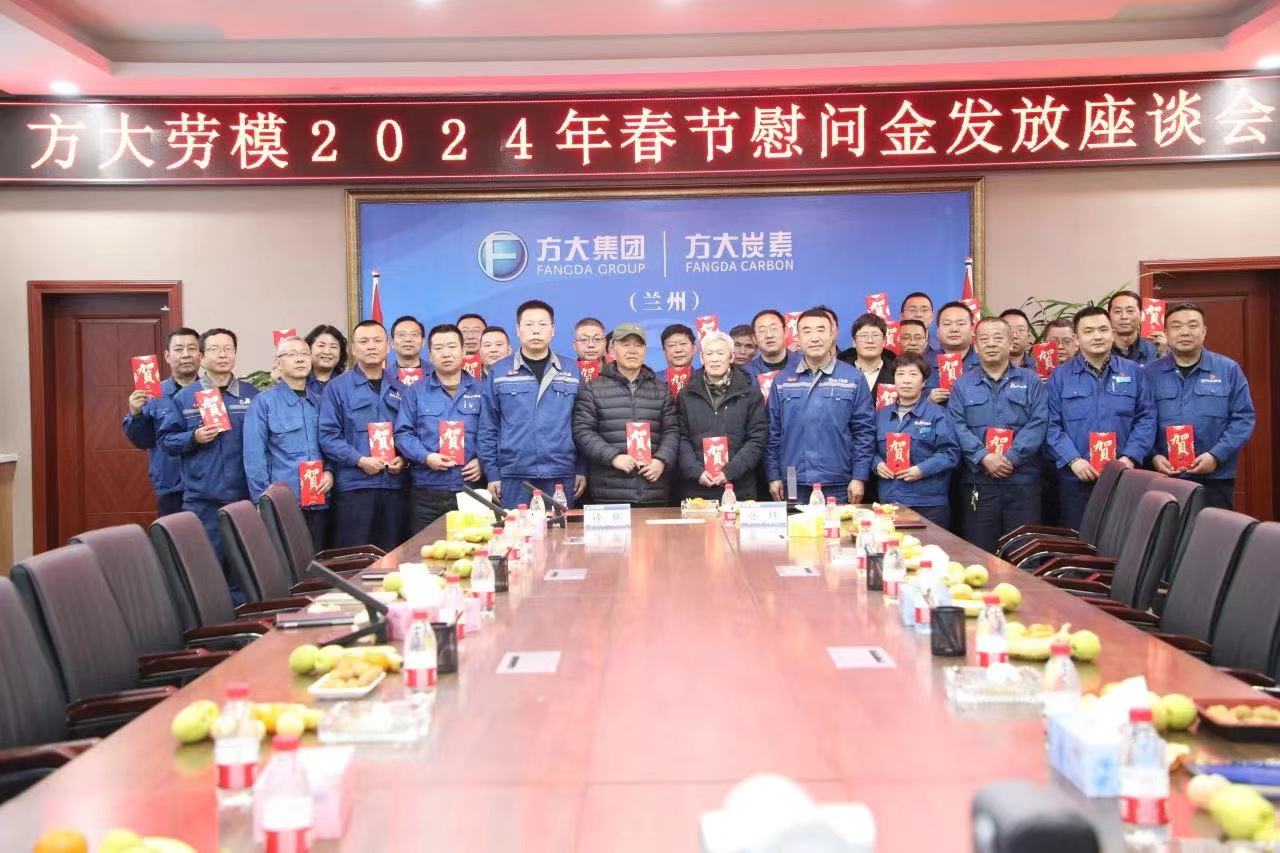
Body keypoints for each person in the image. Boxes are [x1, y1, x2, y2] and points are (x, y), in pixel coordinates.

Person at [157, 328, 260, 572]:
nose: (222, 355)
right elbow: (166, 441)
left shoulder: (252, 395)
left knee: (247, 570)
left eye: (228, 349)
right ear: (202, 357)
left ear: (235, 354)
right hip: (202, 500)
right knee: (206, 570)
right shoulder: (185, 397)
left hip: (244, 498)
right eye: (215, 349)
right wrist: (194, 437)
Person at [1045, 307, 1156, 530]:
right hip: (1076, 477)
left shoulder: (1133, 372)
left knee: (1119, 539)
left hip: (1123, 476)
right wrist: (1073, 460)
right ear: (1077, 339)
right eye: (1088, 331)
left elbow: (1146, 418)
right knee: (1078, 541)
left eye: (1103, 330)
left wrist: (1129, 458)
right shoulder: (1060, 376)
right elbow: (1050, 424)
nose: (1097, 336)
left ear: (1112, 334)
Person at [948, 316, 1048, 552]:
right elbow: (957, 426)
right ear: (976, 345)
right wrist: (983, 457)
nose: (991, 344)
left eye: (998, 338)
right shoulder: (962, 385)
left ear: (1010, 342)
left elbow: (1039, 422)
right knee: (979, 551)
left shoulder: (1031, 381)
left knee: (1024, 552)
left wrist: (1012, 457)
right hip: (979, 481)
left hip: (1022, 480)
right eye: (984, 339)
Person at [1147, 302, 1256, 510]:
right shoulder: (1149, 373)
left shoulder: (1228, 370)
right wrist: (1153, 456)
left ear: (1204, 331)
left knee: (1214, 529)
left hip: (1215, 477)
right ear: (1166, 333)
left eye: (1192, 325)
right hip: (1163, 477)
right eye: (1176, 326)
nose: (1185, 332)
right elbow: (1140, 419)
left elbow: (1243, 418)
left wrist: (1216, 455)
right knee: (1166, 531)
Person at [479, 299, 586, 509]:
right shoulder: (499, 371)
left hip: (560, 473)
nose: (536, 330)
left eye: (542, 324)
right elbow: (488, 426)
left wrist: (581, 469)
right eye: (529, 325)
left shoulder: (571, 370)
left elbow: (582, 424)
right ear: (518, 330)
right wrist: (492, 473)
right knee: (517, 530)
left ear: (553, 330)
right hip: (514, 475)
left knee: (559, 529)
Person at [766, 308, 875, 504]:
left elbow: (864, 432)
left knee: (836, 525)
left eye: (821, 330)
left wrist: (859, 476)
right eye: (807, 331)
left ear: (832, 335)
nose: (814, 338)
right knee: (794, 524)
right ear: (797, 338)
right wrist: (773, 475)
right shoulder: (782, 380)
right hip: (793, 478)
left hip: (838, 480)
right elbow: (772, 432)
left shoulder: (853, 378)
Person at [318, 320, 408, 551]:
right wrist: (359, 460)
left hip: (394, 487)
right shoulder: (337, 388)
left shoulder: (401, 389)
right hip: (354, 488)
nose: (371, 346)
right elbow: (328, 436)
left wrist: (403, 459)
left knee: (393, 555)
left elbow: (408, 433)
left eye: (377, 341)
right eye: (364, 341)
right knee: (355, 556)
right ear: (353, 349)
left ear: (388, 346)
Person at [571, 323, 678, 506]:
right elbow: (582, 431)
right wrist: (613, 457)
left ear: (645, 350)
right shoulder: (593, 389)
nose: (632, 350)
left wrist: (661, 460)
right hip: (609, 491)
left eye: (638, 345)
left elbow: (672, 431)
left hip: (654, 489)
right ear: (612, 348)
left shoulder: (661, 390)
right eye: (625, 344)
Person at [395, 324, 485, 530]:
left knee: (474, 546)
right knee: (425, 547)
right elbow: (403, 434)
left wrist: (483, 461)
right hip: (427, 490)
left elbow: (494, 432)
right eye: (439, 348)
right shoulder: (415, 392)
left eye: (452, 346)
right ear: (430, 354)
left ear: (464, 350)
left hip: (471, 489)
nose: (446, 353)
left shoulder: (482, 391)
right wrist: (426, 457)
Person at [243, 337, 332, 546]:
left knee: (319, 560)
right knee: (288, 562)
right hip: (282, 503)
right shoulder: (264, 403)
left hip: (320, 499)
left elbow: (332, 443)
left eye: (304, 354)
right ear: (278, 363)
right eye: (291, 354)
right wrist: (261, 500)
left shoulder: (322, 402)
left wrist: (330, 471)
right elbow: (254, 456)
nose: (299, 359)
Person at [675, 330, 767, 501]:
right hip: (697, 489)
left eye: (720, 353)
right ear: (702, 358)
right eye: (709, 353)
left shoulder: (750, 395)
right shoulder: (686, 395)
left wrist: (730, 472)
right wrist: (696, 471)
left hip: (739, 488)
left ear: (731, 357)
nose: (715, 359)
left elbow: (757, 439)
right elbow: (680, 438)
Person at [873, 352, 960, 528]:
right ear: (894, 380)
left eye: (913, 374)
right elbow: (868, 448)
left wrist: (921, 470)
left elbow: (950, 453)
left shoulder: (938, 415)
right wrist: (876, 464)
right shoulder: (880, 415)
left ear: (924, 382)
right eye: (900, 374)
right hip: (889, 501)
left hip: (928, 504)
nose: (906, 380)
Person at [123, 327, 201, 517]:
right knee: (173, 536)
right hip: (171, 487)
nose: (186, 354)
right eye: (179, 349)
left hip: (208, 487)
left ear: (200, 355)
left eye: (192, 348)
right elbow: (143, 441)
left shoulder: (213, 393)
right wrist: (136, 414)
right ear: (167, 356)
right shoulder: (152, 393)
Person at [925, 301, 981, 403]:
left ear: (972, 329)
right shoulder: (923, 363)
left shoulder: (985, 362)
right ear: (938, 331)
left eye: (961, 324)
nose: (954, 329)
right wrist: (927, 401)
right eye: (947, 324)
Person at [838, 313, 896, 391]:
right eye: (864, 336)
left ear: (884, 341)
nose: (870, 340)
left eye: (875, 335)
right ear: (854, 342)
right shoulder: (839, 372)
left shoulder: (896, 371)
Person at [744, 309, 801, 379]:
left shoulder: (806, 365)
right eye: (762, 331)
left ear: (786, 332)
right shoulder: (745, 374)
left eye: (774, 328)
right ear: (754, 339)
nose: (769, 335)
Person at [1107, 290, 1158, 365]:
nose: (1124, 316)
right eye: (1117, 311)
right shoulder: (1100, 349)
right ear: (1108, 316)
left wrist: (1162, 354)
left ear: (1141, 315)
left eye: (1130, 311)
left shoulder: (1155, 350)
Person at [305, 324, 347, 407]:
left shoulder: (346, 384)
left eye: (333, 347)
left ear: (340, 353)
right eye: (321, 345)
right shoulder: (299, 382)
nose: (327, 352)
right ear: (309, 349)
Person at [900, 291, 942, 359]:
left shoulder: (942, 348)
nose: (918, 315)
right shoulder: (890, 349)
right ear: (901, 316)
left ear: (932, 316)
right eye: (912, 310)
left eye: (924, 310)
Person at [661, 323, 697, 395]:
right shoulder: (652, 381)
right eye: (671, 345)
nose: (678, 350)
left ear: (694, 348)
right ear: (664, 351)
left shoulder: (704, 380)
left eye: (683, 344)